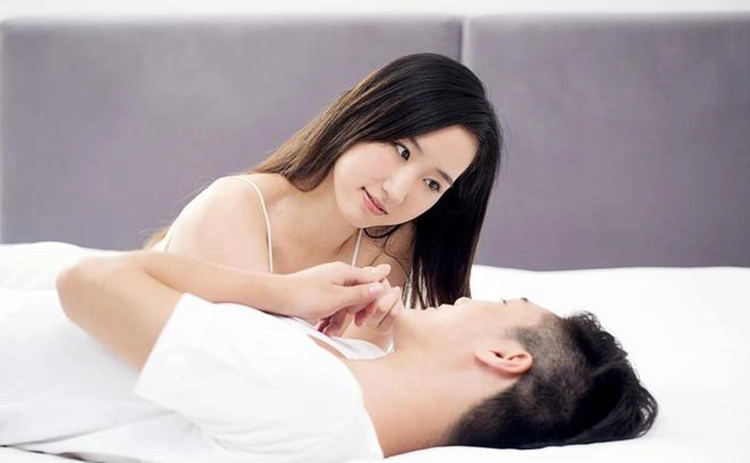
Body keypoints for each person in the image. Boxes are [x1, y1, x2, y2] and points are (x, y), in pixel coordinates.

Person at [1, 251, 657, 462]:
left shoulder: (315, 399)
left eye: (505, 301)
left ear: (502, 354)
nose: (470, 298)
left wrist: (277, 290)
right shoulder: (336, 384)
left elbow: (86, 283)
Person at [142, 52, 503, 349]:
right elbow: (258, 374)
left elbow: (344, 384)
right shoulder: (232, 208)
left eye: (432, 183)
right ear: (362, 115)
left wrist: (382, 329)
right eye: (401, 150)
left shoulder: (388, 241)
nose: (397, 191)